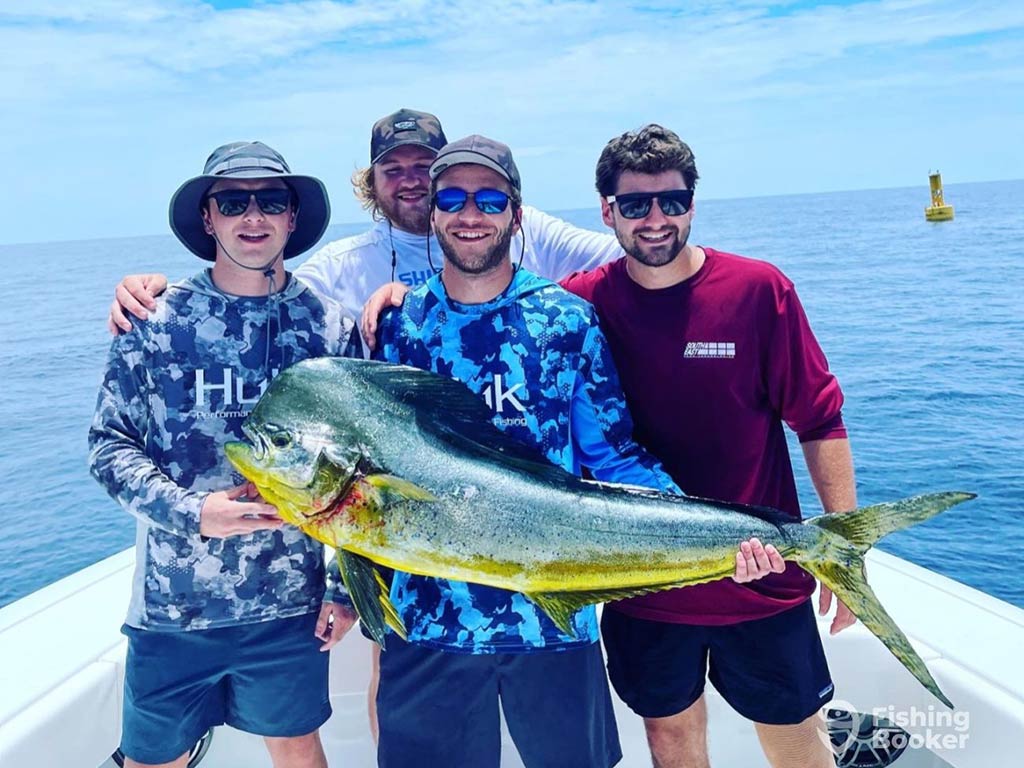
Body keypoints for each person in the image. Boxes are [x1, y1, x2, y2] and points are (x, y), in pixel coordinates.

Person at [370, 133, 685, 768]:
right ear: (431, 212)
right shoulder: (399, 327)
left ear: (516, 213)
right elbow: (372, 471)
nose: (470, 214)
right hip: (429, 623)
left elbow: (614, 456)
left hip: (553, 614)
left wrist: (717, 530)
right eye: (452, 198)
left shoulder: (566, 321)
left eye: (489, 199)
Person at [560, 124, 856, 768]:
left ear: (693, 202)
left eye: (673, 200)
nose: (656, 219)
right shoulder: (580, 304)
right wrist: (397, 296)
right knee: (669, 738)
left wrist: (841, 548)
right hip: (641, 580)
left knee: (795, 736)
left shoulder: (758, 289)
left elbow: (820, 419)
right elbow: (491, 307)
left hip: (762, 571)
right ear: (607, 210)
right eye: (636, 204)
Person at [88, 141, 360, 768]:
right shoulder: (155, 321)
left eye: (271, 201)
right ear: (208, 219)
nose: (253, 217)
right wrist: (193, 512)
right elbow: (108, 448)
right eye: (233, 202)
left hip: (292, 605)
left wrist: (344, 588)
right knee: (155, 760)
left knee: (297, 748)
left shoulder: (331, 328)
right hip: (172, 606)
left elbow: (359, 472)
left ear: (293, 218)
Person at [107, 108, 624, 335]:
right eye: (392, 170)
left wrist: (559, 298)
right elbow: (259, 294)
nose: (411, 181)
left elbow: (631, 256)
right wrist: (160, 294)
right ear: (370, 184)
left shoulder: (516, 224)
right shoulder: (341, 265)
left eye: (424, 167)